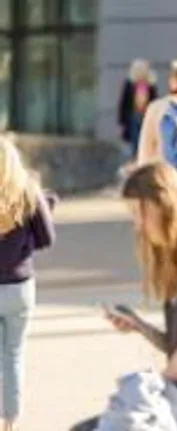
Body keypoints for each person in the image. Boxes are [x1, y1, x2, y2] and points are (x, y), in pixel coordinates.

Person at [0, 138, 55, 431]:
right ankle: (9, 422)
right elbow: (47, 238)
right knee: (13, 354)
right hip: (20, 287)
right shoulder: (28, 191)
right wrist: (22, 246)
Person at [117, 59, 158, 159]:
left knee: (146, 140)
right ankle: (135, 157)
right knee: (134, 141)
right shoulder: (129, 84)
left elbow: (154, 101)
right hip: (133, 116)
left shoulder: (150, 85)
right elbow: (124, 102)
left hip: (147, 116)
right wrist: (122, 120)